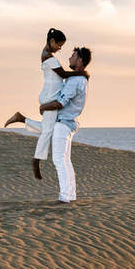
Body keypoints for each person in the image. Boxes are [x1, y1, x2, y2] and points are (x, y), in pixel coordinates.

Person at [4, 28, 83, 180]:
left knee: (49, 129)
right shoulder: (50, 59)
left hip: (49, 94)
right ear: (52, 41)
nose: (60, 48)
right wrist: (81, 73)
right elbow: (64, 75)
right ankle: (36, 160)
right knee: (48, 132)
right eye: (59, 45)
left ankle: (21, 118)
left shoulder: (46, 54)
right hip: (50, 97)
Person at [38, 46, 92, 203]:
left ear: (80, 60)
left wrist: (43, 107)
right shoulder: (80, 79)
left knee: (59, 159)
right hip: (69, 123)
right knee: (65, 159)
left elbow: (61, 103)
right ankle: (70, 195)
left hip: (63, 123)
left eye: (73, 56)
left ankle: (64, 197)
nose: (69, 58)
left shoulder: (75, 80)